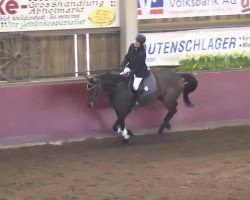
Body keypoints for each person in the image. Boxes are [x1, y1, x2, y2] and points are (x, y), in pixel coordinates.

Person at [120, 33, 150, 109]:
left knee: (135, 86)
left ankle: (136, 101)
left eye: (137, 41)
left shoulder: (142, 53)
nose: (135, 42)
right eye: (135, 40)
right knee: (120, 76)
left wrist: (130, 73)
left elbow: (138, 66)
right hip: (130, 67)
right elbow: (127, 57)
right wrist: (123, 65)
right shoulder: (132, 46)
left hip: (139, 72)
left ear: (141, 43)